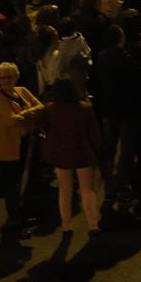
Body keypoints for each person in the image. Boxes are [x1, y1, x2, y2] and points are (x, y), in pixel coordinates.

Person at [39, 78, 103, 236]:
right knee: (87, 190)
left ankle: (67, 226)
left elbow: (43, 127)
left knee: (65, 190)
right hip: (82, 153)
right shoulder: (85, 108)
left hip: (61, 155)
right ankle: (92, 224)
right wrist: (99, 152)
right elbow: (94, 134)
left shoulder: (50, 109)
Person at [0, 62, 42, 237]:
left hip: (25, 144)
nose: (5, 81)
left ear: (16, 77)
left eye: (9, 77)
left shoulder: (22, 91)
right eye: (2, 77)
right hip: (8, 150)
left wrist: (23, 114)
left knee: (24, 181)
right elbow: (11, 121)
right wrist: (29, 113)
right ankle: (15, 220)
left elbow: (41, 106)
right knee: (12, 186)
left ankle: (21, 215)